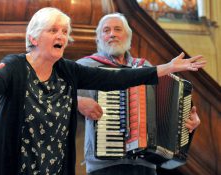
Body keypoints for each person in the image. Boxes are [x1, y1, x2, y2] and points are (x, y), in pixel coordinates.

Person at [0, 7, 205, 175]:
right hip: (13, 165)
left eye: (64, 31)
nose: (61, 35)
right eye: (53, 30)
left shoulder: (67, 70)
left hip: (53, 167)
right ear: (33, 37)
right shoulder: (15, 65)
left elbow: (119, 77)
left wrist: (168, 68)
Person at [76, 13, 202, 175]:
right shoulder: (86, 66)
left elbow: (166, 109)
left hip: (146, 163)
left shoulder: (144, 67)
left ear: (128, 36)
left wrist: (189, 122)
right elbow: (60, 97)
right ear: (99, 38)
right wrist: (78, 101)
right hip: (105, 165)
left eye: (117, 29)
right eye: (106, 30)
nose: (112, 34)